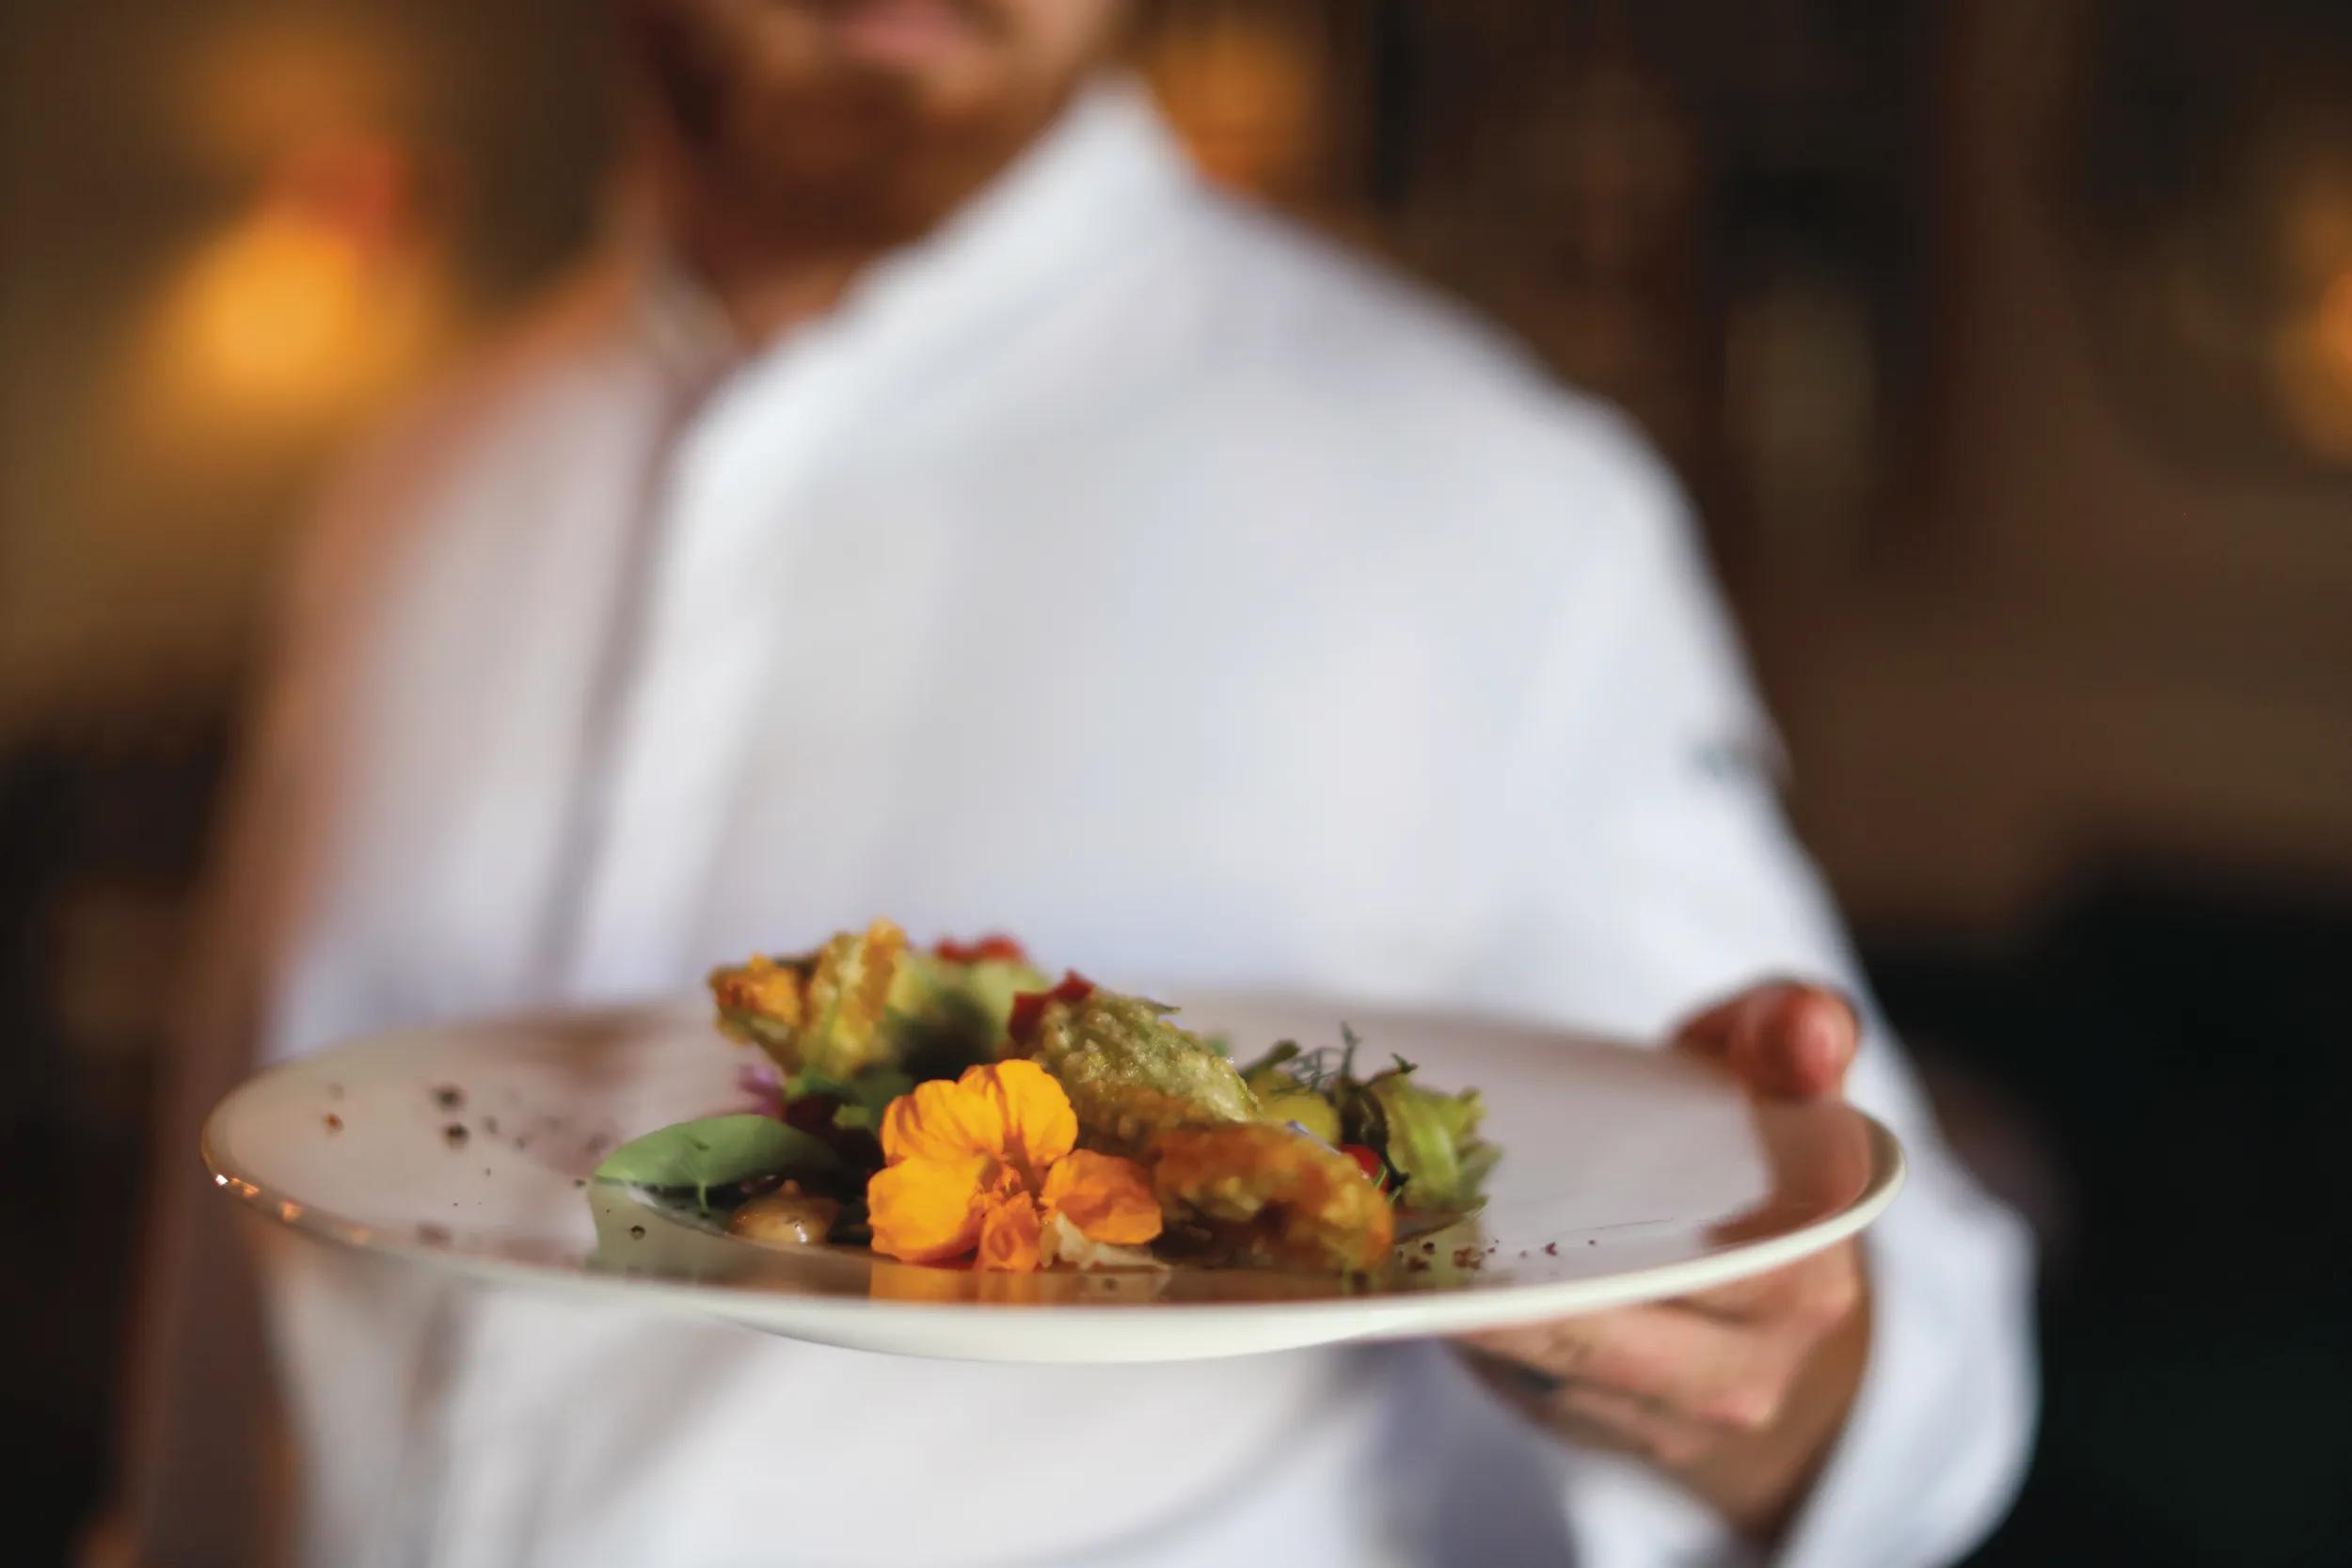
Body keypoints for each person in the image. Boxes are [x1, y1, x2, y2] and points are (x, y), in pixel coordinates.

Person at [107, 2, 2035, 1564]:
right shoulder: (410, 481)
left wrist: (1782, 1386)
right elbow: (235, 1247)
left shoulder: (1492, 501)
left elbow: (1926, 1381)